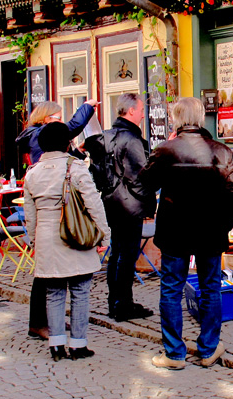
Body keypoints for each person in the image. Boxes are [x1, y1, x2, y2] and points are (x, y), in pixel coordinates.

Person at [139, 97, 233, 370]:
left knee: (171, 289)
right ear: (200, 119)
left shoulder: (165, 151)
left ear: (177, 119)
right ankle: (209, 348)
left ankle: (174, 354)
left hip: (175, 229)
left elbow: (143, 183)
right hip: (210, 228)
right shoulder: (222, 151)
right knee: (211, 288)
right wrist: (225, 225)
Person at [23, 122, 111, 361]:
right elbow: (94, 203)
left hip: (46, 238)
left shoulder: (32, 173)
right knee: (81, 291)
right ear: (67, 142)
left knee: (53, 292)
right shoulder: (76, 168)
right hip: (76, 234)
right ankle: (78, 345)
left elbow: (30, 216)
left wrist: (33, 241)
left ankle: (56, 345)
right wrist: (104, 233)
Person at [16, 99, 97, 340]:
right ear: (44, 118)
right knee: (46, 277)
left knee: (51, 275)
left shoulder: (36, 136)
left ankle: (52, 324)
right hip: (51, 211)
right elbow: (70, 128)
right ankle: (40, 323)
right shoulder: (37, 134)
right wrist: (87, 107)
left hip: (57, 211)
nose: (60, 121)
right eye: (56, 117)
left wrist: (76, 152)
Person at [84, 93, 155, 322]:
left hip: (110, 203)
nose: (144, 114)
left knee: (116, 254)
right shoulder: (132, 140)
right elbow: (142, 175)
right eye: (142, 110)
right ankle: (123, 305)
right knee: (127, 255)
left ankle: (115, 302)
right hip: (129, 205)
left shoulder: (106, 136)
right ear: (131, 111)